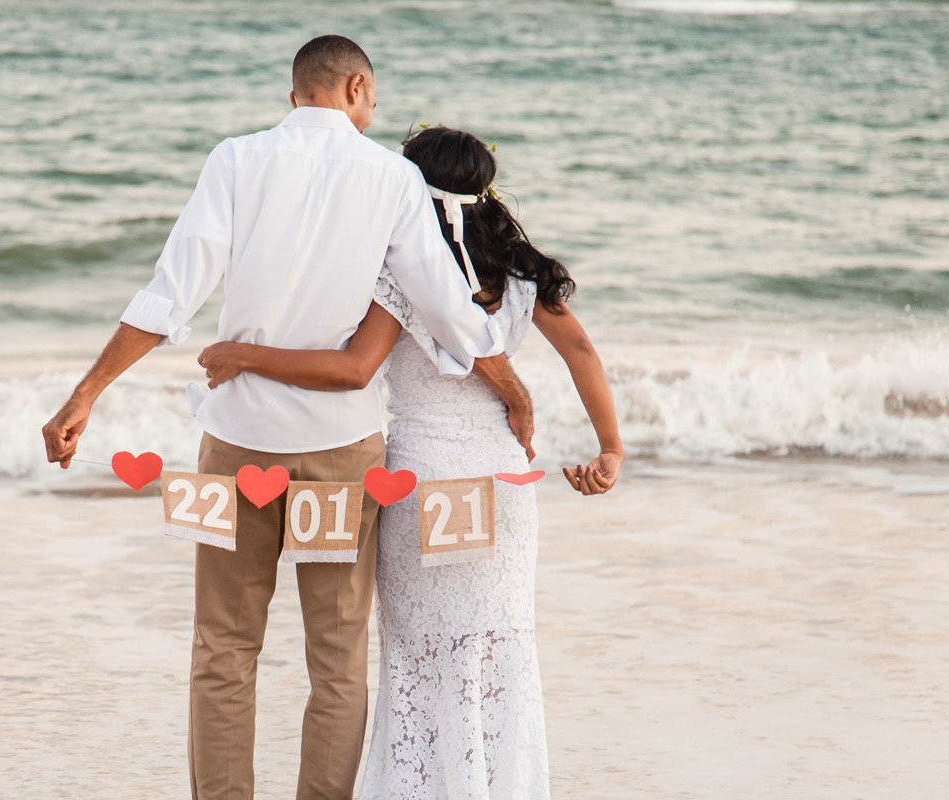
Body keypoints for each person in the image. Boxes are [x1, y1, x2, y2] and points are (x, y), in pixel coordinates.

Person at [42, 38, 537, 800]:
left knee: (223, 650)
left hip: (240, 443)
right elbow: (445, 305)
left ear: (297, 90)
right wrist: (510, 387)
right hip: (342, 449)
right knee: (335, 659)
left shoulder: (235, 161)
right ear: (356, 89)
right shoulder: (391, 177)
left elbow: (171, 294)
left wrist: (85, 395)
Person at [198, 125, 624, 798]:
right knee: (496, 654)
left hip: (418, 484)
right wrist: (611, 448)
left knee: (418, 660)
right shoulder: (519, 273)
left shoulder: (398, 274)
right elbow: (583, 355)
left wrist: (246, 354)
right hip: (502, 483)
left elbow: (352, 368)